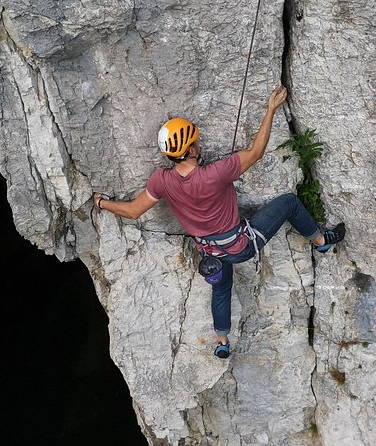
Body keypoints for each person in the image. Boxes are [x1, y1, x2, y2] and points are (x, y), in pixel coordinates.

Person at [92, 85, 345, 358]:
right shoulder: (215, 173)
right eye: (196, 142)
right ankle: (320, 241)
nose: (199, 145)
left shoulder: (160, 181)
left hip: (210, 254)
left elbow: (132, 211)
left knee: (221, 291)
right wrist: (271, 109)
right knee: (289, 202)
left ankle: (222, 342)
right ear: (190, 150)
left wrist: (101, 203)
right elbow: (256, 152)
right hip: (241, 247)